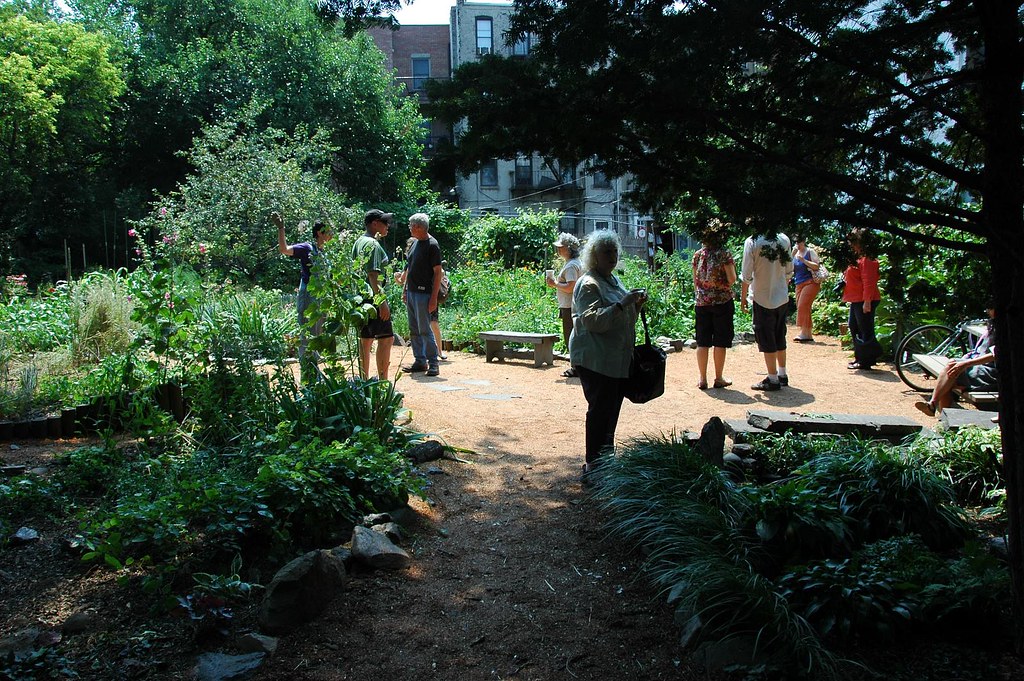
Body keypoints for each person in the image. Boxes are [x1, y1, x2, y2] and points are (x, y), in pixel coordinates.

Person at [569, 230, 647, 475]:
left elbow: (622, 320)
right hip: (595, 358)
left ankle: (605, 462)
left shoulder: (613, 280)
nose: (612, 256)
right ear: (594, 256)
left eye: (614, 251)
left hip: (614, 359)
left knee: (611, 411)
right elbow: (594, 322)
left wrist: (635, 305)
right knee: (600, 411)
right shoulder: (588, 283)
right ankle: (593, 466)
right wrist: (623, 303)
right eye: (606, 252)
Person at [273, 210, 332, 382]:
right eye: (328, 232)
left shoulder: (326, 253)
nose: (331, 235)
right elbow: (284, 250)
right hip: (308, 297)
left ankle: (314, 375)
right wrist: (281, 228)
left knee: (318, 335)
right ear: (320, 233)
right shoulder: (307, 248)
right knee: (307, 335)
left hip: (321, 299)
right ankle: (307, 376)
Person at [916, 307, 998, 416]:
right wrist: (965, 360)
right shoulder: (993, 324)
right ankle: (939, 414)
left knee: (950, 375)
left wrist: (966, 363)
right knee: (951, 371)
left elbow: (995, 354)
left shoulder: (1006, 327)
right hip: (979, 366)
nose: (987, 311)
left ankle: (935, 408)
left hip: (990, 372)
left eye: (990, 308)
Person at [740, 231, 794, 391]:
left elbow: (746, 275)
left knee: (766, 336)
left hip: (761, 297)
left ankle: (772, 378)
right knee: (779, 334)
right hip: (781, 296)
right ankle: (782, 374)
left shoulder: (752, 241)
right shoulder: (784, 239)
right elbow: (789, 269)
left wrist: (743, 298)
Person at [352, 209, 395, 380]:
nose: (388, 226)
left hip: (361, 300)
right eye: (385, 222)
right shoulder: (373, 244)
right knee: (386, 339)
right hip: (374, 300)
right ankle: (383, 383)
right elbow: (373, 275)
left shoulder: (359, 242)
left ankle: (363, 383)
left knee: (366, 340)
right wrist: (382, 302)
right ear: (374, 223)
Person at [692, 231, 737, 390]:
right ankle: (718, 378)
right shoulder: (724, 254)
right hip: (722, 302)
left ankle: (702, 379)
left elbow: (695, 282)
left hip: (702, 302)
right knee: (720, 341)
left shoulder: (698, 255)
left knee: (702, 341)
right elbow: (732, 279)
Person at [401, 213, 442, 377]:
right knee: (414, 329)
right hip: (412, 292)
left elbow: (438, 273)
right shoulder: (415, 243)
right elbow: (410, 268)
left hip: (424, 293)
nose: (410, 228)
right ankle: (420, 361)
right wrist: (405, 290)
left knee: (425, 329)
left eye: (411, 225)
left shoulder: (432, 245)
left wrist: (433, 299)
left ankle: (433, 363)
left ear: (418, 227)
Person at [842, 229, 882, 370]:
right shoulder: (858, 257)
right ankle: (861, 357)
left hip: (864, 299)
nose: (851, 245)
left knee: (865, 329)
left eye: (854, 242)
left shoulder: (867, 259)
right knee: (854, 327)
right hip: (857, 299)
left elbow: (869, 282)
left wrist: (867, 301)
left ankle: (867, 360)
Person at [545, 232, 583, 378]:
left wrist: (554, 283)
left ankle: (576, 368)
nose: (559, 250)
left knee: (570, 336)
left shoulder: (571, 266)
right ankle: (578, 366)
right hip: (573, 305)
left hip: (569, 306)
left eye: (561, 247)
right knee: (575, 335)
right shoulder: (575, 263)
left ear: (568, 248)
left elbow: (570, 287)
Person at [791, 234, 822, 342]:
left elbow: (817, 266)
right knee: (805, 307)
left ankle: (804, 333)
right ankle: (808, 334)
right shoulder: (794, 254)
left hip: (811, 283)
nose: (797, 244)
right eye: (795, 242)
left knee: (802, 305)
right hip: (798, 284)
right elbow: (788, 269)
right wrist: (792, 256)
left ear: (804, 241)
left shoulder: (810, 252)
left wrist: (804, 260)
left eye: (799, 242)